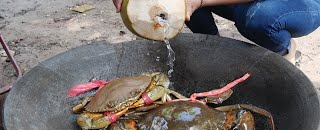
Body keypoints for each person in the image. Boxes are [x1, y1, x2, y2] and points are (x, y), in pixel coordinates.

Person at [112, 0, 320, 63]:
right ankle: (214, 55)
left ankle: (285, 51)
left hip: (299, 4)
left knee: (258, 19)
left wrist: (199, 1)